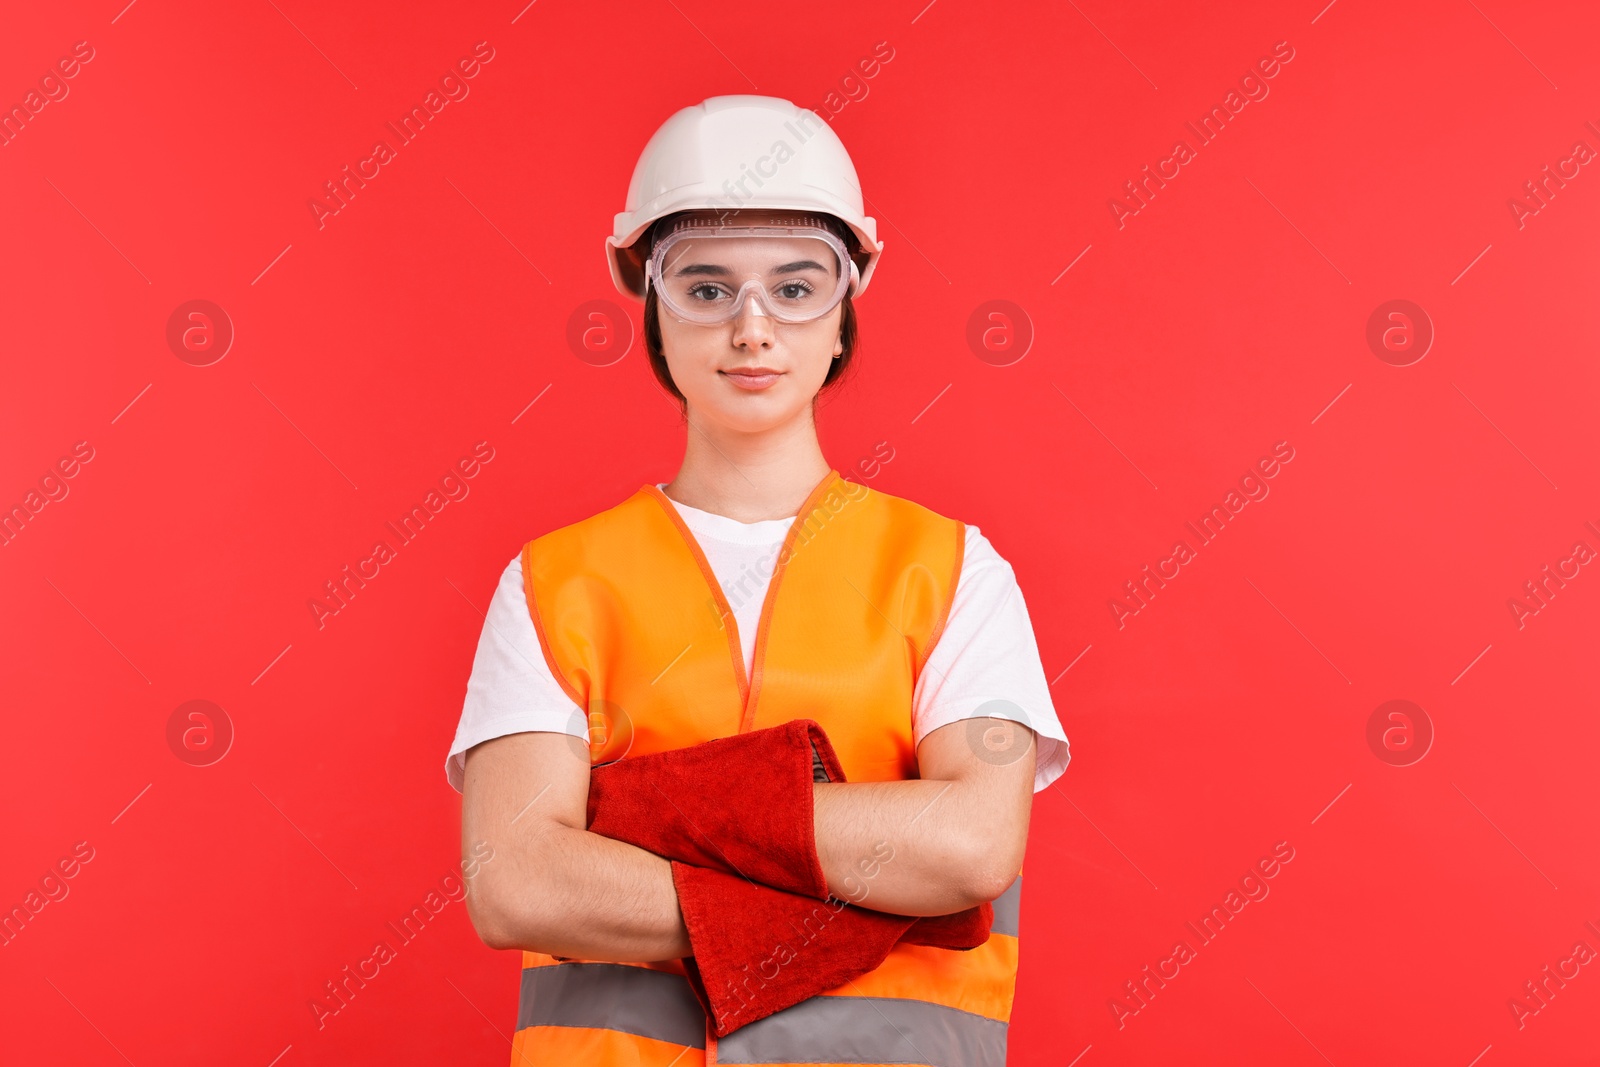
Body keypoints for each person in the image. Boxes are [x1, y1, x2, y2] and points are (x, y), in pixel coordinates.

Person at [446, 94, 1071, 1066]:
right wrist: (861, 890)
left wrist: (632, 820)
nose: (752, 328)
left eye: (793, 287)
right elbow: (517, 879)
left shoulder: (953, 570)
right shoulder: (554, 583)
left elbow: (971, 846)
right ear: (653, 310)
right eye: (705, 288)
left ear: (841, 311)